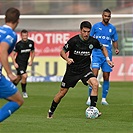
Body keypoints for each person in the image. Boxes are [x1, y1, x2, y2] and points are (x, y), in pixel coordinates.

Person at [47, 21, 114, 119]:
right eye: (84, 31)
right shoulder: (74, 41)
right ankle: (51, 111)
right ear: (80, 31)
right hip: (72, 70)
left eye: (88, 32)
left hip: (85, 69)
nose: (86, 34)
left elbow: (102, 47)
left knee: (95, 83)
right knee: (62, 93)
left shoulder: (93, 41)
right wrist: (67, 59)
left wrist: (108, 59)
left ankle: (93, 110)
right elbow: (62, 52)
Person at [86, 8, 119, 106]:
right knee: (93, 75)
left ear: (110, 17)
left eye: (108, 16)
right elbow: (90, 38)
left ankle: (104, 98)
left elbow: (115, 40)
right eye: (105, 16)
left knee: (106, 76)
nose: (107, 18)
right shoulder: (96, 27)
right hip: (96, 54)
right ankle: (89, 97)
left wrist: (116, 48)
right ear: (102, 16)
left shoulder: (112, 28)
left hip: (107, 55)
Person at [0, 7, 24, 123]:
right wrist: (9, 73)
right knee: (18, 100)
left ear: (5, 19)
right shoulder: (11, 34)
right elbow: (2, 50)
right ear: (18, 21)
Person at [11, 29, 35, 98]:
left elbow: (33, 52)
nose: (25, 37)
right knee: (24, 76)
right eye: (23, 36)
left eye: (26, 35)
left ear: (27, 35)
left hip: (25, 64)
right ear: (21, 36)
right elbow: (13, 54)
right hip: (19, 63)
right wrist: (14, 63)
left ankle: (11, 90)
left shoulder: (31, 43)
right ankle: (24, 92)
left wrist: (31, 61)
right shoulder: (18, 44)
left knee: (18, 78)